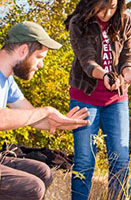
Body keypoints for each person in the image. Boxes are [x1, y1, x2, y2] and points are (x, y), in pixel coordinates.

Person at [64, 0, 131, 199]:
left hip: (116, 101)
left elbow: (128, 55)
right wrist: (105, 75)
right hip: (84, 98)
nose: (108, 13)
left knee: (121, 159)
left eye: (113, 7)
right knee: (85, 160)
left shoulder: (124, 20)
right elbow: (87, 61)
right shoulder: (78, 22)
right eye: (103, 8)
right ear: (92, 1)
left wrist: (127, 72)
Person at [0, 21, 90, 200]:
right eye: (39, 57)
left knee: (43, 171)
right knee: (32, 187)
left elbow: (31, 116)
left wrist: (61, 122)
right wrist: (47, 111)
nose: (40, 65)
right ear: (23, 50)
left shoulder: (7, 81)